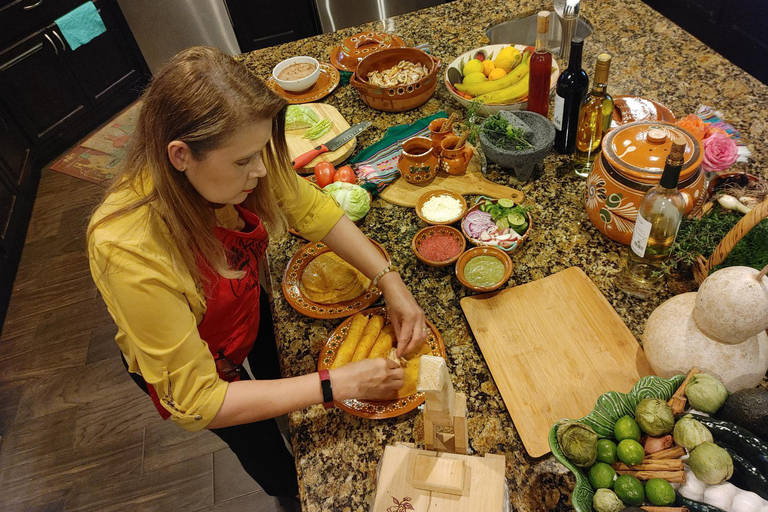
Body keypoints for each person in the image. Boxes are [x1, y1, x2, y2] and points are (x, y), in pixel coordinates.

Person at [87, 46, 428, 499]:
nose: (262, 170)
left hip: (242, 299)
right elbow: (201, 402)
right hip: (196, 358)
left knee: (278, 373)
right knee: (262, 448)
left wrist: (391, 281)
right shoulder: (126, 249)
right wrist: (335, 384)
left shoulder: (235, 162)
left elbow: (309, 209)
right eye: (244, 161)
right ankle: (290, 492)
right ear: (180, 155)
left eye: (261, 152)